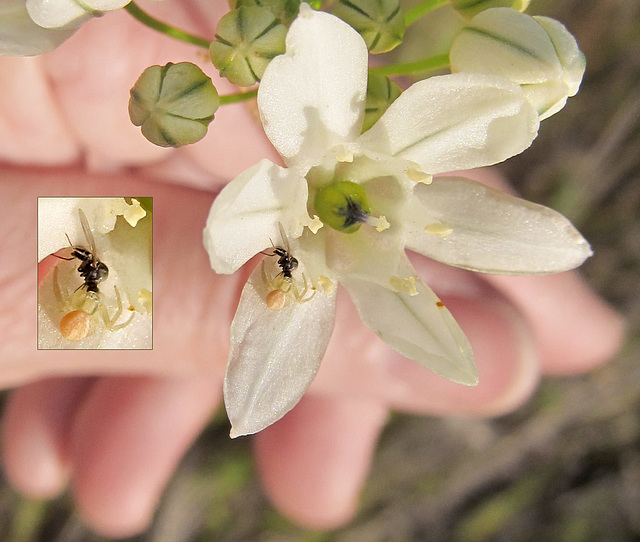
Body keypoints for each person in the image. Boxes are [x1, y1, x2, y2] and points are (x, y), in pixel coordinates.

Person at [0, 2, 624, 538]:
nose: (347, 215)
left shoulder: (317, 59)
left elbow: (323, 41)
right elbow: (317, 41)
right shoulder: (311, 57)